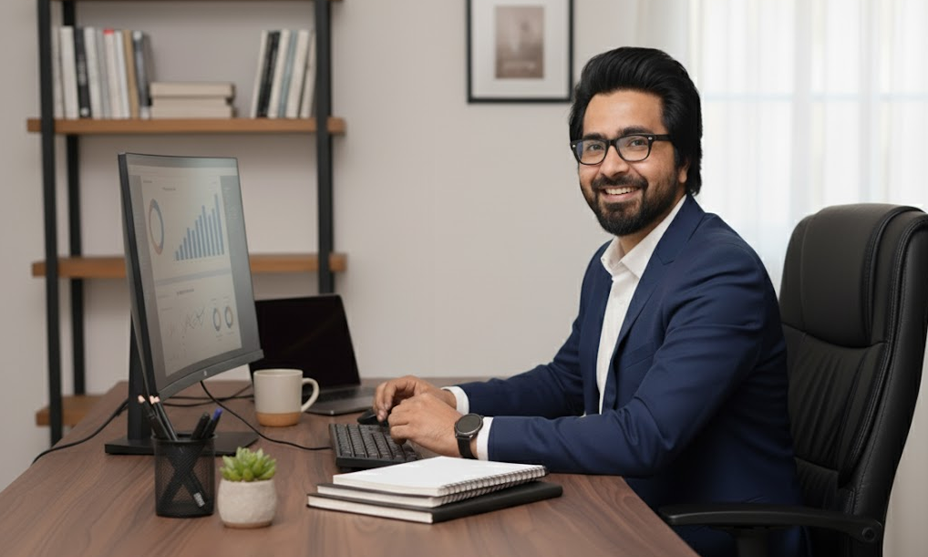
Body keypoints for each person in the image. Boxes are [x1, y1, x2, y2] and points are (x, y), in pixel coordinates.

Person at [373, 46, 806, 557]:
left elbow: (644, 436)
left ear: (685, 161)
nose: (610, 167)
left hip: (704, 538)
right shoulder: (611, 264)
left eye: (636, 143)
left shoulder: (720, 272)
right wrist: (453, 401)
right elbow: (567, 382)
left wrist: (466, 434)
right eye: (594, 146)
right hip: (620, 513)